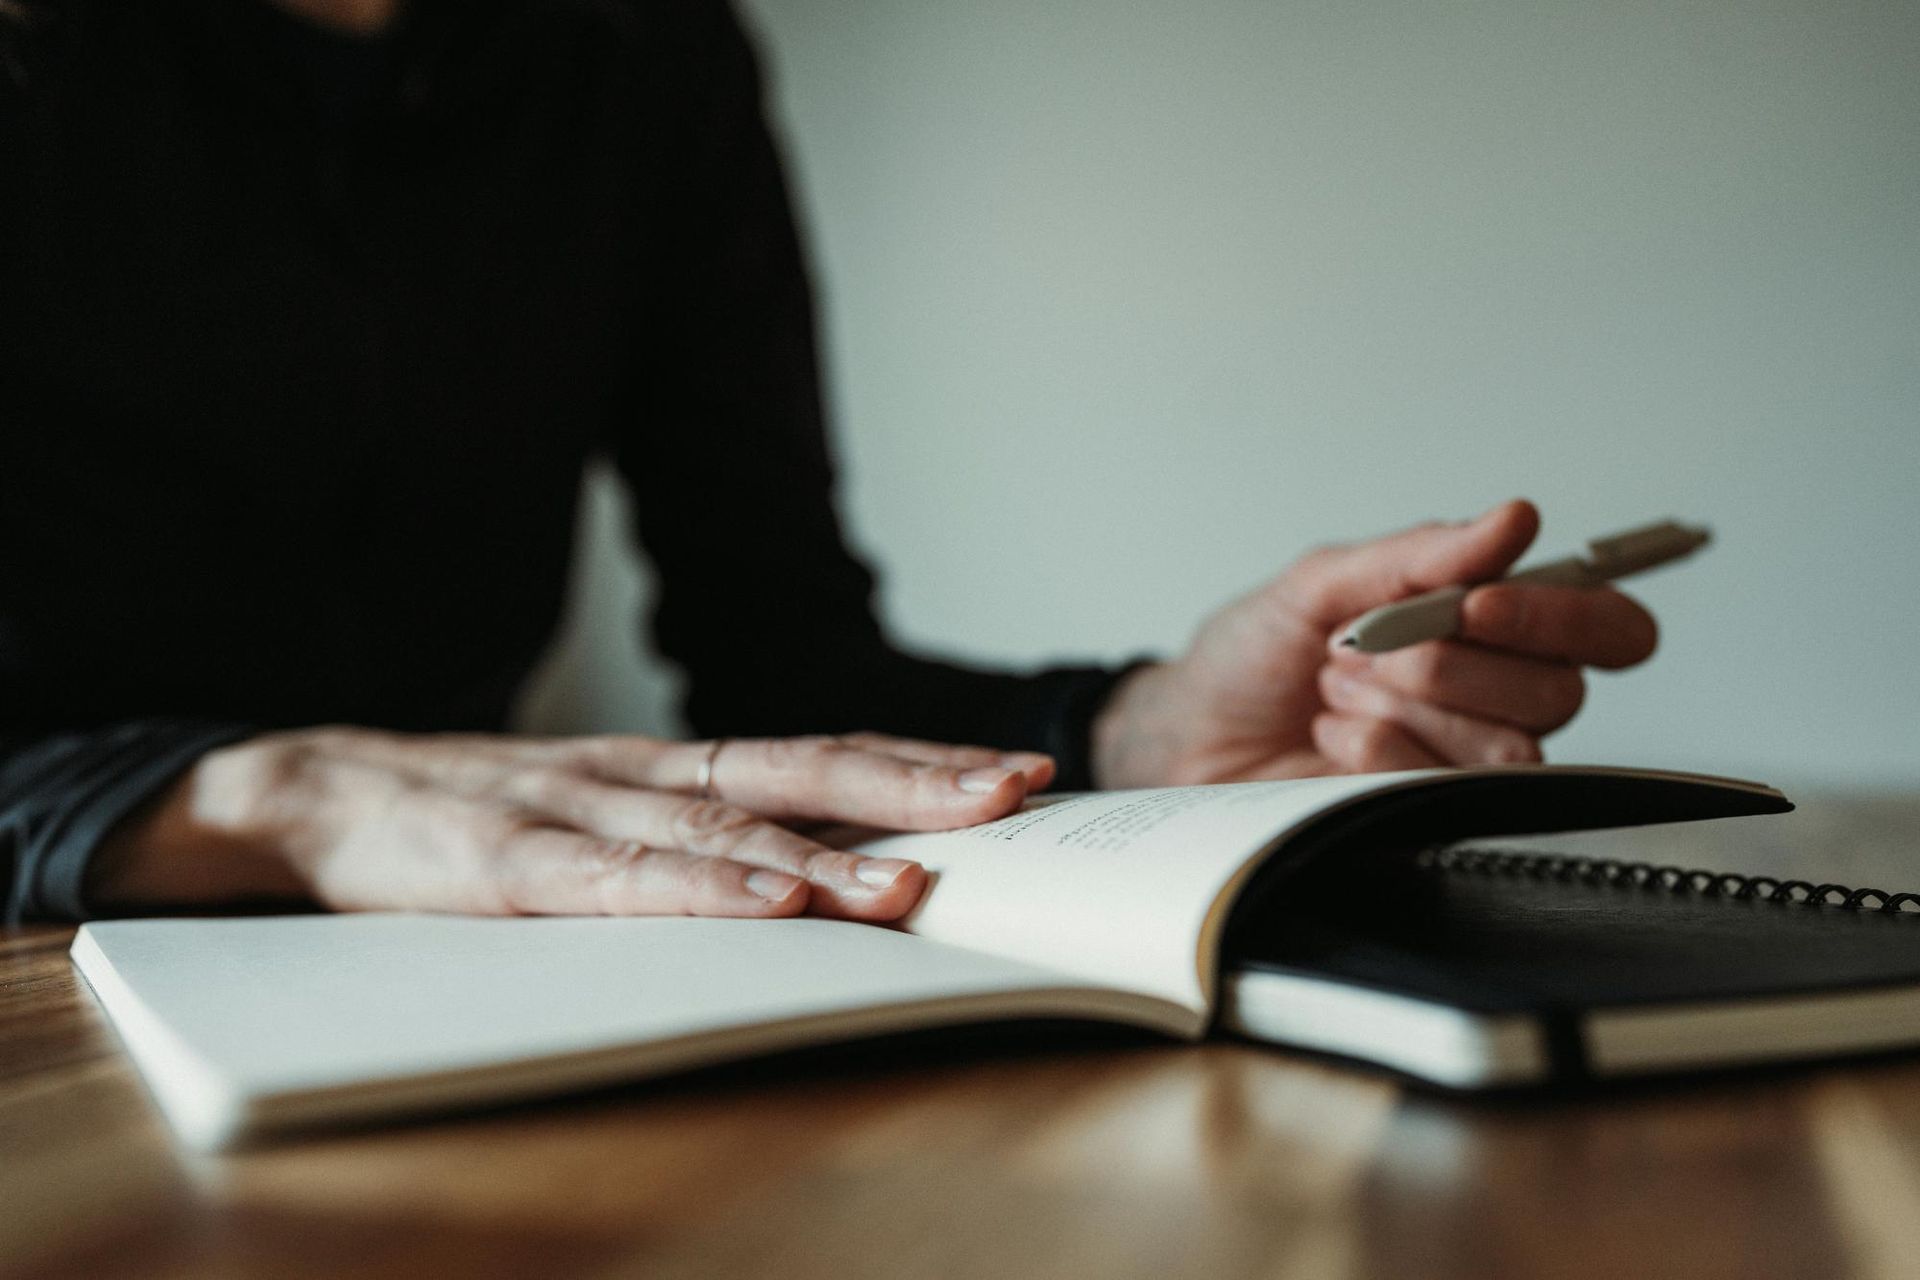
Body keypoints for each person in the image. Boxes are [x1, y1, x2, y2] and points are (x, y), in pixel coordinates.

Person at [0, 0, 1657, 925]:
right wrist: (252, 794)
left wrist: (1136, 728)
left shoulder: (645, 59)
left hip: (434, 962)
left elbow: (785, 658)